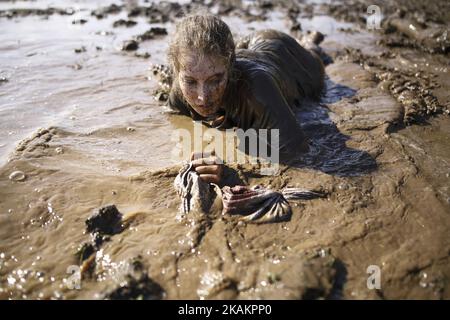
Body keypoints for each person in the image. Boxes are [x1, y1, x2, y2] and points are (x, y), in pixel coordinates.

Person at [166, 14, 325, 185]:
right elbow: (174, 116)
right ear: (177, 74)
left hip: (286, 56)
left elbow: (298, 154)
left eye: (215, 80)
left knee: (317, 58)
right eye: (190, 82)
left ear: (230, 68)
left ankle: (310, 42)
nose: (202, 97)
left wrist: (229, 171)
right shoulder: (180, 89)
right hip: (247, 48)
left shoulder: (256, 89)